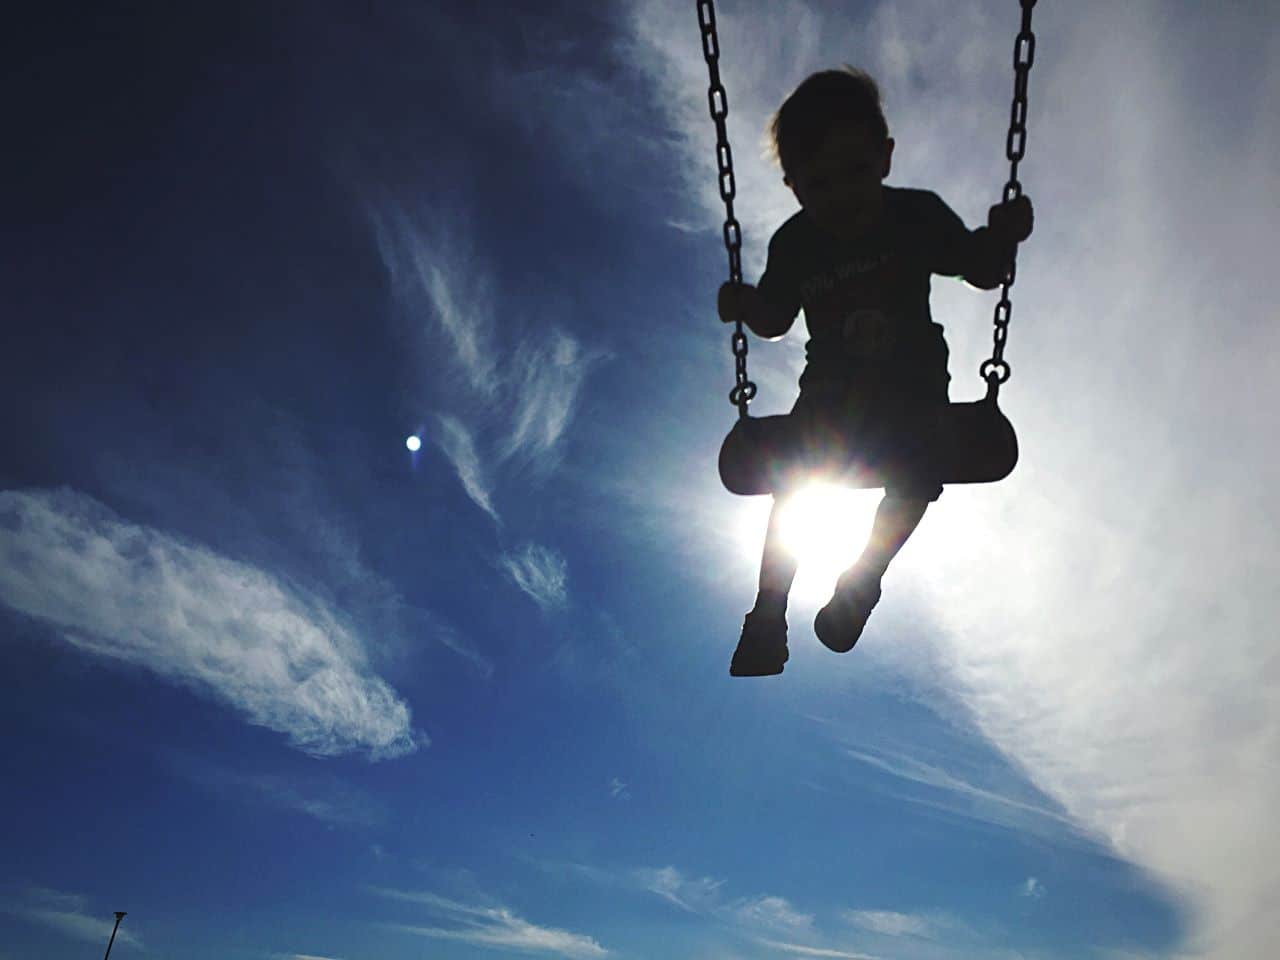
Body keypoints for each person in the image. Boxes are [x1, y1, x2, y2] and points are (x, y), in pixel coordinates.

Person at [717, 67, 1033, 677]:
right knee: (794, 486)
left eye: (854, 172)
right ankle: (767, 613)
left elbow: (978, 267)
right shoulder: (794, 244)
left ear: (884, 158)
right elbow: (776, 317)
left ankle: (862, 580)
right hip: (830, 397)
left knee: (918, 477)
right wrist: (745, 305)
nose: (840, 195)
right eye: (819, 184)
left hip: (913, 387)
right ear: (793, 186)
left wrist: (1000, 238)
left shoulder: (915, 216)